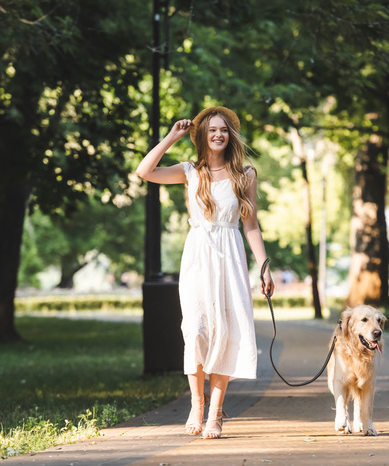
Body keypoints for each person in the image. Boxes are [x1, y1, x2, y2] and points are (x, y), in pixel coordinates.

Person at [136, 106, 274, 439]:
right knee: (195, 330)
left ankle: (215, 413)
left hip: (230, 255)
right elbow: (145, 171)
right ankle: (197, 405)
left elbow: (251, 226)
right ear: (202, 135)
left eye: (224, 130)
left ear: (231, 136)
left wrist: (265, 267)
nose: (218, 135)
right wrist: (171, 137)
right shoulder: (189, 171)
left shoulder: (245, 175)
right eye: (212, 129)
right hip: (198, 255)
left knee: (224, 331)